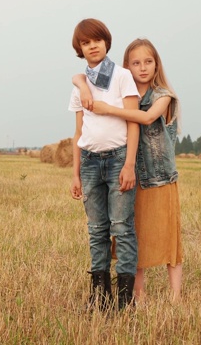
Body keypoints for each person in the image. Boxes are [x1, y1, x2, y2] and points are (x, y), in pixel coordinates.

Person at [72, 38, 183, 304]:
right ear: (126, 67)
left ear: (157, 65)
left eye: (148, 62)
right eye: (136, 63)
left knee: (170, 237)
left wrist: (109, 109)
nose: (142, 68)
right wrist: (79, 80)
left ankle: (176, 295)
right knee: (134, 234)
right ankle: (137, 293)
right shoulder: (125, 91)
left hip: (159, 176)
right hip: (129, 172)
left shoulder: (163, 96)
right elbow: (81, 78)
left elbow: (145, 118)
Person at [68, 18, 140, 312]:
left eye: (96, 40)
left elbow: (133, 122)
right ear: (80, 49)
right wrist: (74, 173)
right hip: (89, 162)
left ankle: (125, 299)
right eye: (85, 43)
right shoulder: (80, 85)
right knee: (96, 230)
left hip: (118, 159)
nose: (92, 46)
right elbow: (77, 132)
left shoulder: (122, 77)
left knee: (122, 228)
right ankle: (99, 296)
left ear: (106, 42)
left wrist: (130, 164)